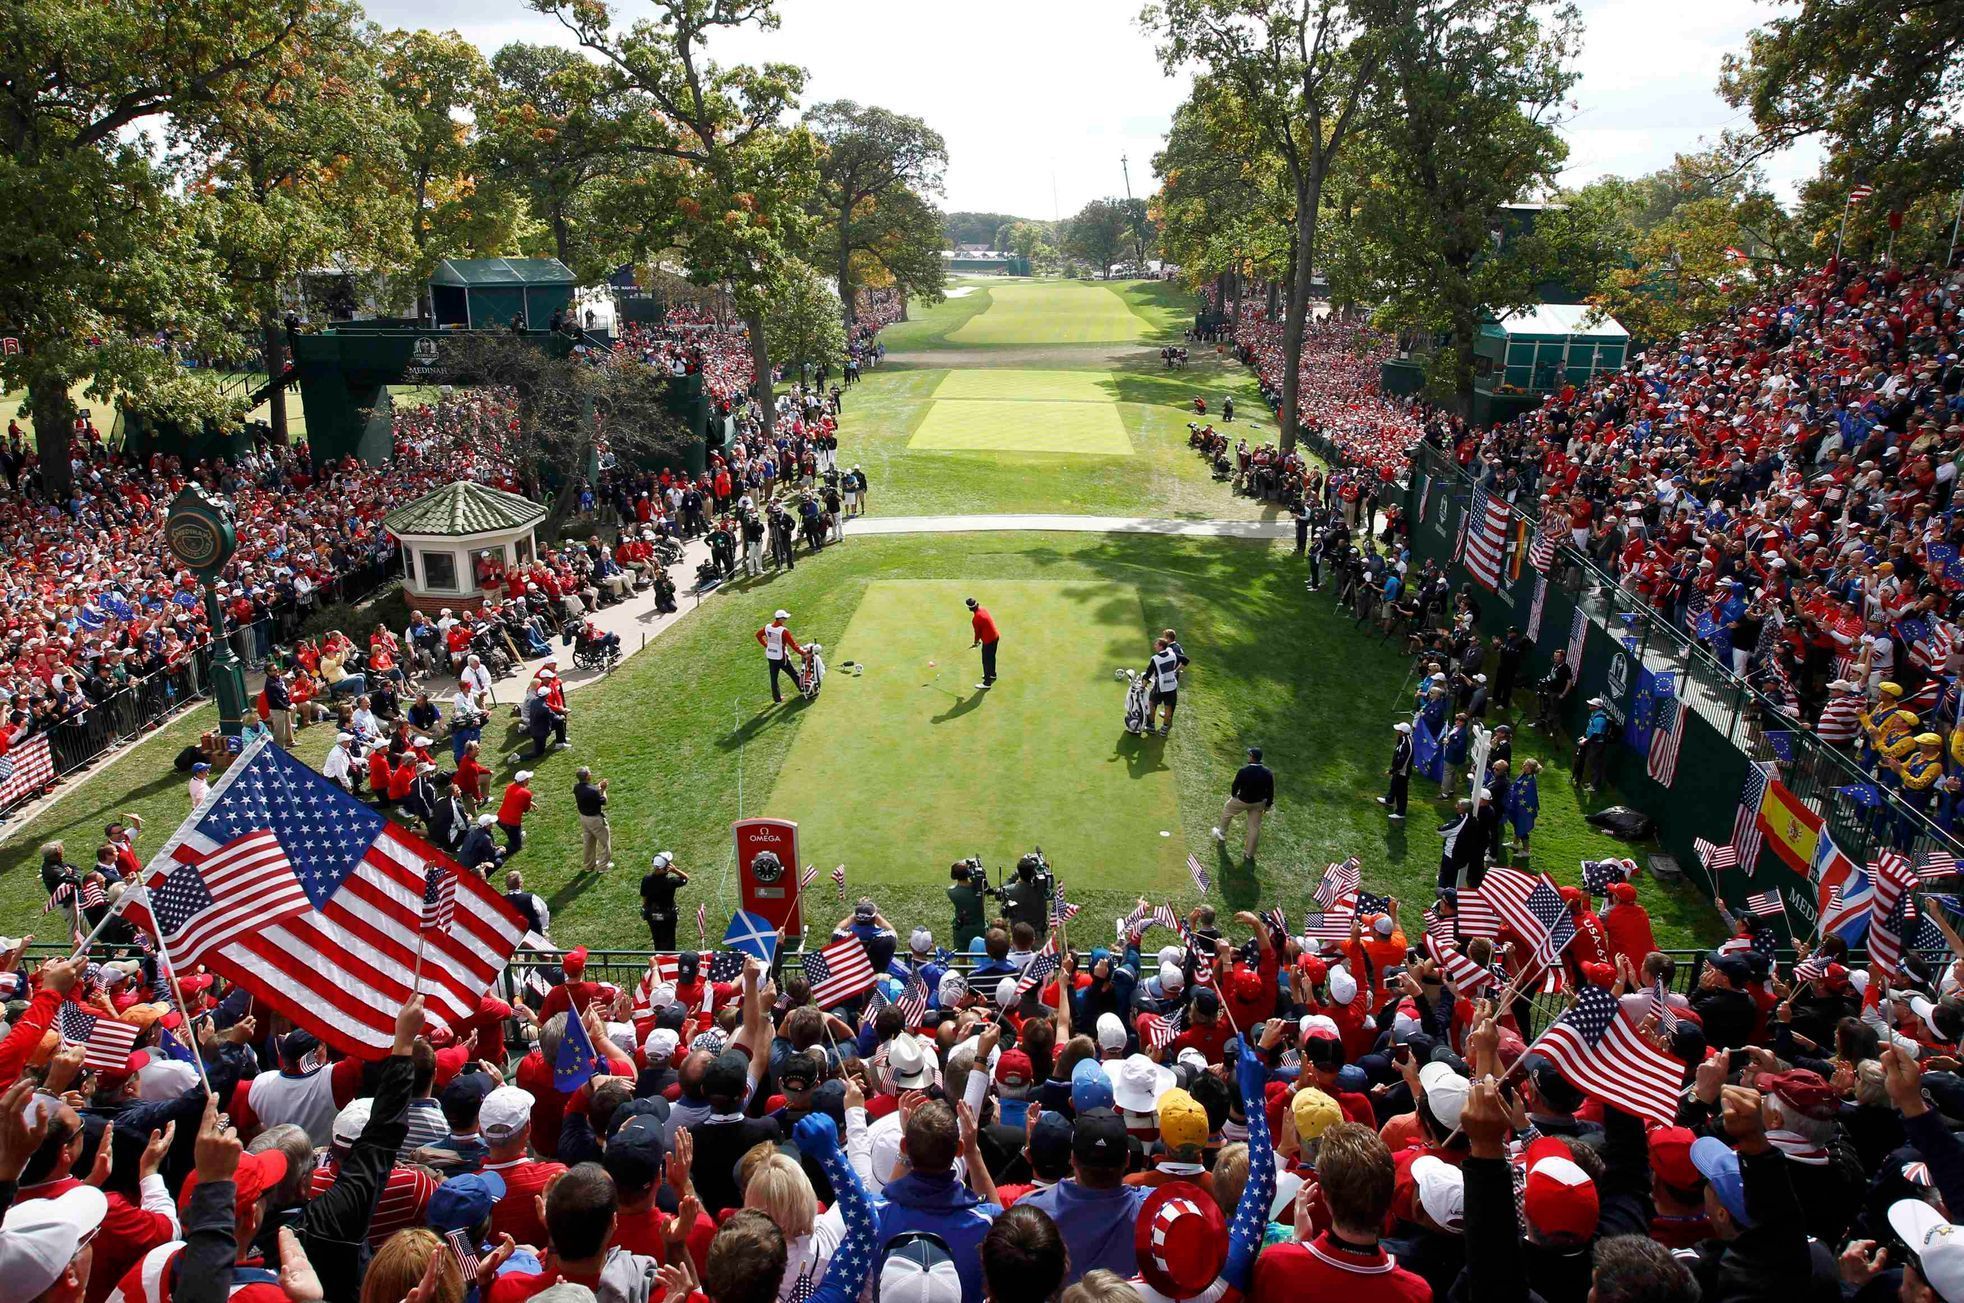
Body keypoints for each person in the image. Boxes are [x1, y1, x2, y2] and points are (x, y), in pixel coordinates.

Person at [1212, 746, 1274, 859]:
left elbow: (1235, 786)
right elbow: (1270, 790)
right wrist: (1268, 805)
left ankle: (1221, 832)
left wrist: (1234, 795)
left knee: (1227, 810)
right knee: (1254, 828)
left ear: (1252, 757)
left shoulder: (1244, 771)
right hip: (1259, 803)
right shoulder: (1268, 773)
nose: (1248, 757)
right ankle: (1249, 854)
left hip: (1243, 800)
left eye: (1249, 755)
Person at [640, 851, 688, 950]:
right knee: (669, 941)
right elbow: (685, 878)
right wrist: (675, 870)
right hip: (668, 915)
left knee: (656, 938)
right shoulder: (671, 882)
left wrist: (645, 907)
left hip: (652, 915)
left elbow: (644, 897)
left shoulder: (646, 879)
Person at [757, 610, 805, 706]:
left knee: (773, 678)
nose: (786, 619)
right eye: (785, 618)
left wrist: (766, 645)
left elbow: (758, 635)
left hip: (771, 656)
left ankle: (777, 699)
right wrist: (803, 653)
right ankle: (803, 690)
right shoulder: (783, 631)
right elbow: (793, 645)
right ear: (781, 619)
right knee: (793, 673)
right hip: (781, 657)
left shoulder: (768, 627)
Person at [572, 767, 611, 874]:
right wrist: (603, 790)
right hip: (595, 820)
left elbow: (590, 791)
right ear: (587, 776)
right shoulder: (593, 791)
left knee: (588, 842)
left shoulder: (576, 788)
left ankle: (589, 866)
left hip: (584, 818)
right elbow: (604, 801)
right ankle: (603, 866)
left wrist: (598, 787)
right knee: (605, 842)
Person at [1146, 636, 1185, 736]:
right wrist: (1176, 671)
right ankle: (1164, 729)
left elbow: (1148, 674)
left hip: (1160, 686)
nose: (1155, 646)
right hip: (1172, 685)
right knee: (1168, 707)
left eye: (1156, 645)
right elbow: (1185, 660)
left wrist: (1143, 685)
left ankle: (1151, 726)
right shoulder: (1173, 654)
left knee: (1151, 703)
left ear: (1161, 647)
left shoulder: (1155, 659)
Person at [1379, 721, 1413, 820]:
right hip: (1400, 771)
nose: (1397, 731)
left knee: (1401, 792)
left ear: (1402, 732)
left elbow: (1401, 761)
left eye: (1398, 730)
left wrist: (1392, 770)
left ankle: (1401, 812)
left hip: (1402, 772)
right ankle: (1389, 800)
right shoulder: (1404, 739)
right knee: (1394, 785)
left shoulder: (1405, 744)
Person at [967, 597, 1001, 690]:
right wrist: (978, 642)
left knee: (986, 661)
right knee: (992, 657)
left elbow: (977, 633)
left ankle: (987, 682)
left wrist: (976, 642)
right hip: (995, 636)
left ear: (969, 608)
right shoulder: (983, 609)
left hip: (988, 641)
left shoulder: (976, 619)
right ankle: (992, 674)